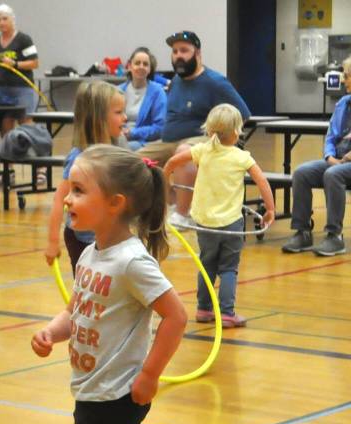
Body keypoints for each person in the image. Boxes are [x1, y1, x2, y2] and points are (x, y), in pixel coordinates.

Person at [30, 145, 187, 424]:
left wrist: (150, 375)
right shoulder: (92, 254)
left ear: (116, 203)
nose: (67, 200)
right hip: (89, 390)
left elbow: (175, 316)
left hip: (119, 394)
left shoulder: (133, 261)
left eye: (79, 191)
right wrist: (51, 333)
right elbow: (75, 309)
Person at [164, 104, 275, 328]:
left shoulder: (202, 150)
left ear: (210, 130)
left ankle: (203, 309)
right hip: (231, 223)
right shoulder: (242, 157)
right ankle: (226, 313)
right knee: (228, 268)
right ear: (236, 131)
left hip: (204, 222)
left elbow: (173, 162)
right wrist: (270, 209)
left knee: (206, 265)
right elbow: (262, 181)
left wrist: (166, 181)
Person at [136, 31, 250, 228]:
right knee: (137, 160)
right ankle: (171, 202)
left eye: (184, 51)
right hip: (168, 141)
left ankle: (183, 214)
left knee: (184, 153)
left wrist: (219, 141)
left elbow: (243, 114)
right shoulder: (177, 82)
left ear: (197, 53)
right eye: (174, 51)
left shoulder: (215, 82)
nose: (178, 55)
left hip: (200, 140)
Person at [45, 81, 128, 271]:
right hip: (83, 239)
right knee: (89, 291)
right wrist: (52, 242)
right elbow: (60, 199)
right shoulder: (79, 157)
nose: (125, 118)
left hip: (111, 234)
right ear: (98, 118)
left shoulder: (120, 146)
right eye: (118, 113)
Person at [281, 55, 351, 257]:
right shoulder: (343, 104)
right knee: (302, 173)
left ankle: (334, 236)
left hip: (346, 163)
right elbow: (331, 136)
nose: (344, 80)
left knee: (333, 175)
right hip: (338, 160)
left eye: (347, 76)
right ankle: (302, 232)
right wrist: (329, 157)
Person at [0, 4, 39, 134]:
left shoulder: (24, 39)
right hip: (2, 90)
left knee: (25, 122)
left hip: (22, 88)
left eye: (5, 18)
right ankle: (7, 151)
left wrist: (15, 64)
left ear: (12, 19)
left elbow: (35, 63)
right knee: (5, 122)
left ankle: (28, 151)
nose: (1, 22)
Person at [119, 47, 166, 151]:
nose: (141, 67)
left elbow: (160, 128)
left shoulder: (158, 92)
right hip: (119, 137)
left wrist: (132, 133)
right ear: (129, 66)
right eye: (137, 63)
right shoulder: (118, 91)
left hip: (144, 142)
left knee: (122, 149)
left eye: (145, 64)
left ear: (150, 69)